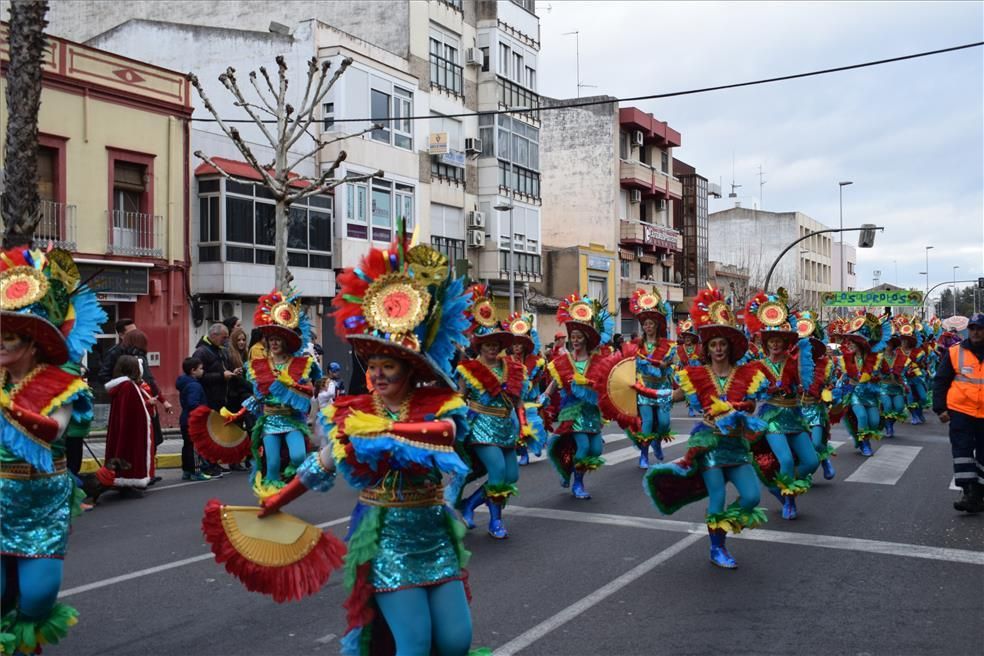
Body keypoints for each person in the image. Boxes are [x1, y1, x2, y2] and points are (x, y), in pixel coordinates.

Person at [256, 236, 479, 655]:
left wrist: (387, 431)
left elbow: (448, 433)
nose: (376, 375)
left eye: (388, 366)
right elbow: (321, 464)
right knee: (413, 644)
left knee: (456, 642)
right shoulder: (351, 412)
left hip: (433, 530)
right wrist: (278, 500)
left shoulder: (434, 403)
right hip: (387, 536)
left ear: (410, 370)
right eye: (372, 365)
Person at [0, 247, 105, 653]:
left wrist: (7, 408)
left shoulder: (61, 386)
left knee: (37, 599)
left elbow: (50, 431)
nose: (2, 344)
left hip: (41, 502)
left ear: (31, 343)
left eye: (10, 336)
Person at [644, 287, 770, 569]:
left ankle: (722, 527)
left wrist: (743, 407)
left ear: (730, 346)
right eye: (713, 345)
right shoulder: (696, 374)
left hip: (737, 445)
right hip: (710, 444)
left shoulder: (747, 373)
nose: (718, 349)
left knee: (751, 496)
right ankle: (717, 548)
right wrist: (645, 392)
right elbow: (676, 394)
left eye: (722, 344)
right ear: (708, 348)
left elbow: (753, 403)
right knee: (719, 496)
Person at [224, 290, 322, 497]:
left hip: (292, 420)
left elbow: (311, 390)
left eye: (279, 339)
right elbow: (258, 396)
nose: (274, 343)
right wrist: (237, 414)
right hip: (270, 420)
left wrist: (292, 385)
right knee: (273, 463)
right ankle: (271, 497)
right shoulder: (258, 366)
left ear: (287, 341)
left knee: (298, 457)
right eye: (271, 339)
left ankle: (288, 483)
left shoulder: (299, 365)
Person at [455, 285, 525, 539]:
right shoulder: (468, 369)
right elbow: (458, 399)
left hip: (507, 426)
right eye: (487, 344)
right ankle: (495, 522)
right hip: (481, 426)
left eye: (496, 344)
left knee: (511, 477)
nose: (492, 348)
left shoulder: (514, 368)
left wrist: (524, 425)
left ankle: (469, 504)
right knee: (497, 474)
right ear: (480, 346)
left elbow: (517, 403)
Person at [743, 291, 818, 520]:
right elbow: (750, 394)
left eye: (779, 340)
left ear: (786, 343)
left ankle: (781, 487)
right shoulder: (757, 365)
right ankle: (788, 500)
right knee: (785, 460)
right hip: (772, 417)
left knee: (811, 462)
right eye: (771, 340)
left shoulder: (795, 363)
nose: (775, 344)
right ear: (766, 344)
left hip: (794, 415)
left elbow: (807, 383)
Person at [542, 293, 615, 500]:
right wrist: (546, 394)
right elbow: (557, 380)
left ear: (586, 340)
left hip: (592, 411)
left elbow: (606, 382)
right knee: (582, 447)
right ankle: (578, 484)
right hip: (573, 410)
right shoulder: (564, 360)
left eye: (578, 337)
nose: (575, 341)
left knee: (596, 449)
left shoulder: (598, 359)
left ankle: (568, 469)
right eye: (572, 337)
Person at [933, 312, 984, 513]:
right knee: (962, 450)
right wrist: (940, 408)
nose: (976, 332)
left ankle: (979, 492)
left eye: (979, 328)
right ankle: (968, 491)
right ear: (967, 330)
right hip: (961, 410)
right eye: (972, 328)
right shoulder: (955, 352)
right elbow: (941, 380)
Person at [625, 288, 676, 468]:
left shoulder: (668, 346)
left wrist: (665, 365)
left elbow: (672, 363)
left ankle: (657, 442)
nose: (648, 326)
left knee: (663, 423)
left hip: (661, 388)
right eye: (645, 324)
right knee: (646, 423)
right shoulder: (636, 346)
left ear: (657, 326)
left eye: (651, 324)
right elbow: (627, 364)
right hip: (644, 388)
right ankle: (644, 456)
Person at [830, 313, 890, 457]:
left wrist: (878, 376)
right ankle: (864, 444)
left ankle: (864, 439)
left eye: (852, 342)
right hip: (854, 393)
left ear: (861, 344)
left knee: (874, 422)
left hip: (871, 394)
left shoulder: (876, 358)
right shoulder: (844, 359)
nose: (848, 344)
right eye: (848, 341)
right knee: (862, 417)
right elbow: (837, 373)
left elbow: (885, 373)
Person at [100, 355, 156, 493]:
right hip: (131, 430)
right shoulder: (128, 387)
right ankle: (128, 479)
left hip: (124, 428)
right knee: (130, 453)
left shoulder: (121, 386)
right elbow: (132, 412)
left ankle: (122, 480)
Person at [193, 323, 237, 476]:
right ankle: (207, 465)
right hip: (208, 398)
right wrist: (221, 376)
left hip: (220, 398)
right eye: (224, 337)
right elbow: (199, 376)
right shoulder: (201, 352)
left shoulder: (219, 350)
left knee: (216, 433)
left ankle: (214, 463)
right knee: (208, 434)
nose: (225, 340)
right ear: (214, 336)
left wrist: (230, 372)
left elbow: (220, 370)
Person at [505, 311, 548, 467]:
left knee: (534, 423)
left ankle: (536, 444)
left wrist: (531, 383)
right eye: (514, 344)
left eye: (519, 344)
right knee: (517, 427)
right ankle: (523, 453)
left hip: (530, 399)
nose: (516, 347)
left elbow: (540, 378)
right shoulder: (506, 361)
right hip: (514, 400)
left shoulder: (536, 361)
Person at [176, 357, 212, 481]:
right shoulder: (194, 386)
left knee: (187, 446)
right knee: (195, 447)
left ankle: (186, 470)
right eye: (200, 369)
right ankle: (196, 471)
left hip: (185, 419)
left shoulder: (185, 383)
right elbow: (193, 403)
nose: (203, 371)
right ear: (193, 370)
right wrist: (205, 411)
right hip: (193, 421)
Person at [95, 318, 134, 384]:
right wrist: (121, 383)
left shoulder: (138, 350)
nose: (136, 334)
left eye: (136, 331)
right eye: (131, 333)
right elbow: (103, 376)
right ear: (121, 335)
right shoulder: (114, 353)